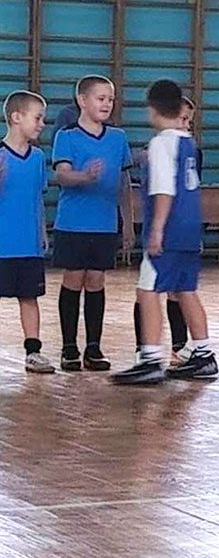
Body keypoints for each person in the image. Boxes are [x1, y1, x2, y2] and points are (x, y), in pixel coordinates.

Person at [113, 79, 218, 384]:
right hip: (190, 229)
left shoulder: (160, 143)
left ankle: (150, 358)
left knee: (147, 290)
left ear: (153, 109)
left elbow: (163, 190)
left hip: (169, 228)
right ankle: (204, 354)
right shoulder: (187, 142)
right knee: (186, 290)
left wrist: (157, 228)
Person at [51, 75, 135, 372]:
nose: (107, 104)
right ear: (82, 101)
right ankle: (69, 347)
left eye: (111, 99)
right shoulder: (67, 136)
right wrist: (84, 176)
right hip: (73, 223)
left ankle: (94, 347)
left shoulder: (118, 138)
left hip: (104, 223)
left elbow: (124, 182)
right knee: (74, 279)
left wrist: (127, 222)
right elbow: (61, 175)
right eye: (101, 98)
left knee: (97, 281)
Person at [0, 91, 55, 373]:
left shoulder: (37, 157)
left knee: (30, 297)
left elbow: (37, 198)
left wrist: (42, 231)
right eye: (38, 118)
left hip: (29, 243)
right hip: (3, 243)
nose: (42, 124)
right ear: (16, 117)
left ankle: (33, 352)